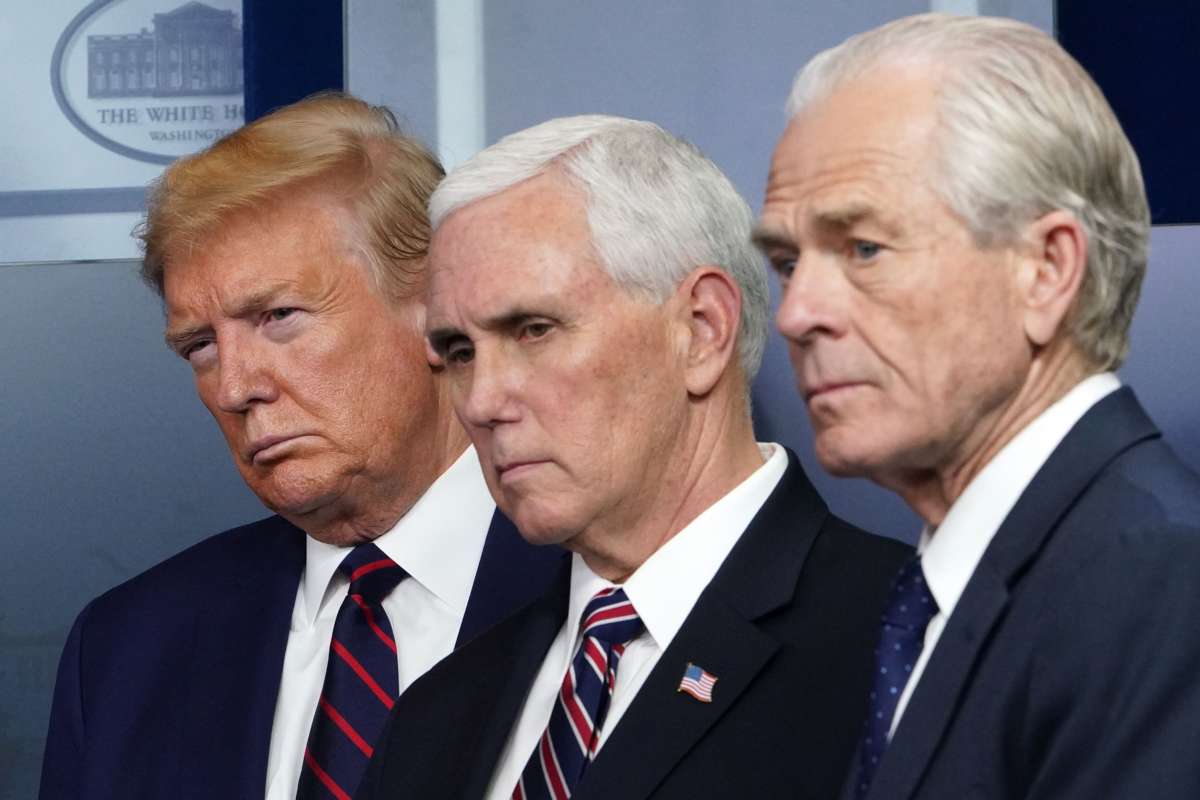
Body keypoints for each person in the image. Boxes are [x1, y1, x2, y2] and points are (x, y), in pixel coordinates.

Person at [355, 114, 910, 800]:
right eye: (461, 352)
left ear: (702, 331)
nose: (482, 400)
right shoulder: (438, 709)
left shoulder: (910, 646)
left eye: (533, 329)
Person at [39, 94, 561, 800]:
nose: (234, 387)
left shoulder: (610, 590)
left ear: (437, 312)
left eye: (278, 316)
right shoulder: (127, 649)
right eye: (199, 346)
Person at [756, 13, 1200, 799]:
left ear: (1044, 269)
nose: (796, 314)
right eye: (789, 262)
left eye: (863, 248)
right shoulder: (950, 584)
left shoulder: (1160, 587)